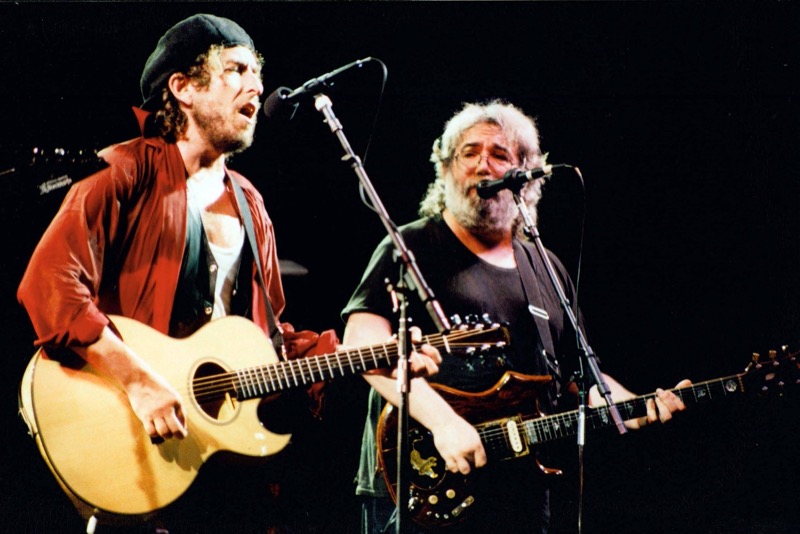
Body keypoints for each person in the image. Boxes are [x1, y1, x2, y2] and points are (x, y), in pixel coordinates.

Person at [17, 13, 439, 534]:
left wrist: (373, 355)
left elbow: (270, 340)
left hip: (220, 459)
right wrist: (139, 381)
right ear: (183, 88)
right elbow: (50, 282)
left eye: (257, 74)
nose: (257, 86)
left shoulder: (249, 203)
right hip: (130, 438)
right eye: (236, 70)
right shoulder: (124, 171)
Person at [342, 100, 692, 533]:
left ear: (526, 177)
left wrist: (634, 407)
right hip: (419, 485)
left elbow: (580, 377)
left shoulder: (545, 266)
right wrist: (444, 422)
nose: (482, 166)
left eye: (499, 155)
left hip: (517, 492)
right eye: (469, 153)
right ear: (447, 169)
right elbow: (361, 345)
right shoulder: (410, 246)